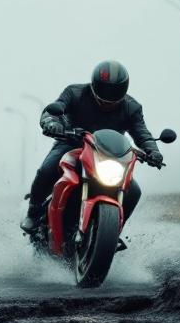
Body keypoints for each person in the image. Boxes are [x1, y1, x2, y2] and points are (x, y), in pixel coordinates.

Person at [20, 60, 164, 235]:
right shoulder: (74, 93)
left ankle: (112, 231)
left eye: (115, 91)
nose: (108, 98)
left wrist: (153, 150)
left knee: (133, 191)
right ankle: (32, 213)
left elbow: (142, 133)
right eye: (104, 90)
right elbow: (53, 111)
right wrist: (52, 123)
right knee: (47, 169)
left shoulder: (131, 107)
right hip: (71, 144)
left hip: (108, 154)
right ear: (95, 85)